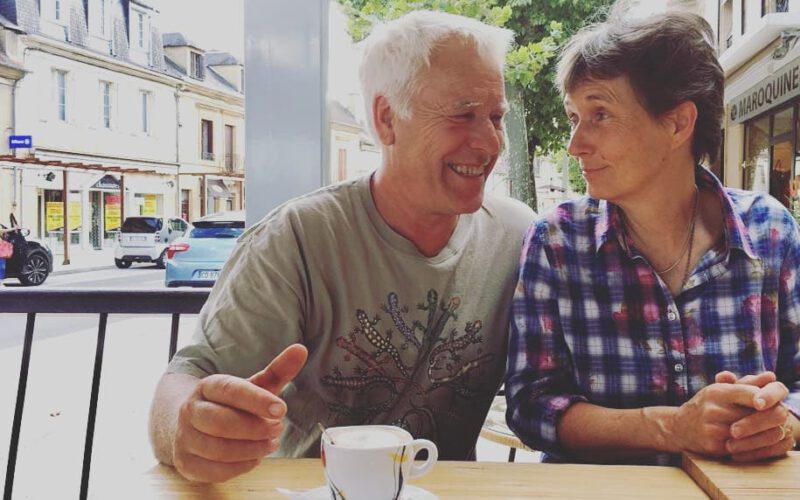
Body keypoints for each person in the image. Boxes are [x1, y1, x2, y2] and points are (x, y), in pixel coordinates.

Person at [149, 10, 535, 483]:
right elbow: (185, 383)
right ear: (387, 119)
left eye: (495, 117)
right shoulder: (297, 239)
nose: (489, 141)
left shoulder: (520, 238)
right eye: (463, 115)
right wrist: (189, 430)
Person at [505, 11, 800, 466]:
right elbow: (530, 407)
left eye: (600, 114)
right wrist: (671, 427)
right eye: (574, 117)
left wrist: (781, 423)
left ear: (678, 124)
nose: (575, 143)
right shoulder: (557, 242)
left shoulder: (770, 232)